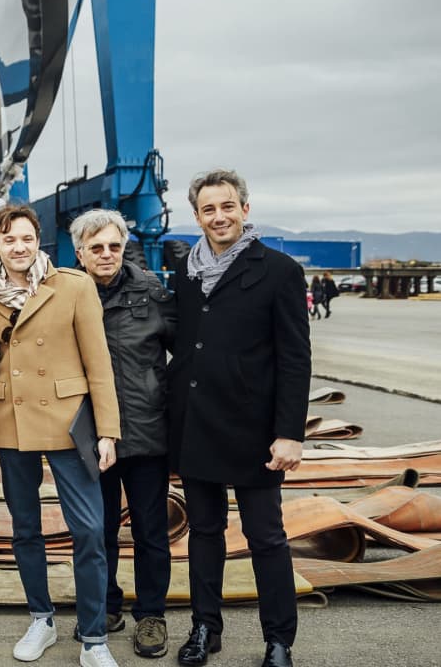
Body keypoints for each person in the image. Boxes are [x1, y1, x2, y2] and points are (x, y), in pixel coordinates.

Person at [168, 169, 310, 667]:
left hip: (253, 430)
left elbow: (295, 358)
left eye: (227, 206)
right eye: (209, 209)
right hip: (197, 425)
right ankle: (206, 629)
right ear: (197, 217)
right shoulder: (187, 272)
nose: (219, 216)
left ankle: (278, 641)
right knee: (204, 533)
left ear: (244, 210)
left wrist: (289, 433)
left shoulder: (279, 270)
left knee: (265, 536)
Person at [0, 204, 122, 667]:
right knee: (25, 530)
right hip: (12, 419)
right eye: (8, 240)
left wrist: (107, 431)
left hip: (68, 420)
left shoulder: (74, 285)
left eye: (26, 238)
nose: (18, 247)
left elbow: (98, 363)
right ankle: (41, 619)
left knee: (89, 530)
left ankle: (94, 636)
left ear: (37, 239)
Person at [70, 209, 176, 659]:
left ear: (124, 245)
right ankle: (106, 605)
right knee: (101, 529)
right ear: (80, 254)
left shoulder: (151, 292)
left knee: (151, 530)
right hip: (94, 436)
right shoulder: (68, 295)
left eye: (114, 246)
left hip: (147, 431)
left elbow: (187, 351)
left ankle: (151, 615)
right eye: (96, 248)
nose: (107, 254)